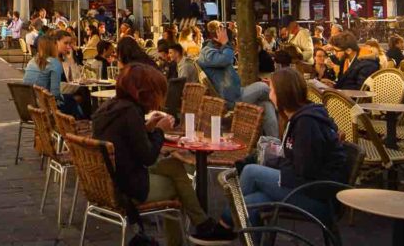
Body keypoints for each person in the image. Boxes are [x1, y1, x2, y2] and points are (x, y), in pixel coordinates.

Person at [93, 63, 234, 245]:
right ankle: (195, 232)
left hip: (112, 178)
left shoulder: (110, 108)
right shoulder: (131, 112)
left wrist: (147, 128)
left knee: (174, 167)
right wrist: (159, 131)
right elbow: (148, 157)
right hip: (129, 187)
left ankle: (203, 225)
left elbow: (126, 142)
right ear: (146, 93)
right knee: (179, 189)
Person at [222, 69, 346, 229]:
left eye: (272, 90)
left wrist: (272, 165)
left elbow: (304, 170)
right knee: (250, 203)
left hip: (319, 199)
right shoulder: (303, 117)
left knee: (252, 172)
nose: (269, 95)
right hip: (313, 190)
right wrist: (274, 163)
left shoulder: (306, 123)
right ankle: (231, 224)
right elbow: (298, 163)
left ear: (283, 93)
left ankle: (224, 224)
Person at [198, 20, 279, 137]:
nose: (231, 44)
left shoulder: (214, 51)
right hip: (232, 99)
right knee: (263, 87)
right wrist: (226, 43)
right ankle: (285, 102)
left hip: (236, 93)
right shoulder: (207, 53)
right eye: (230, 41)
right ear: (217, 38)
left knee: (267, 105)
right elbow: (226, 60)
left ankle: (274, 144)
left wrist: (225, 44)